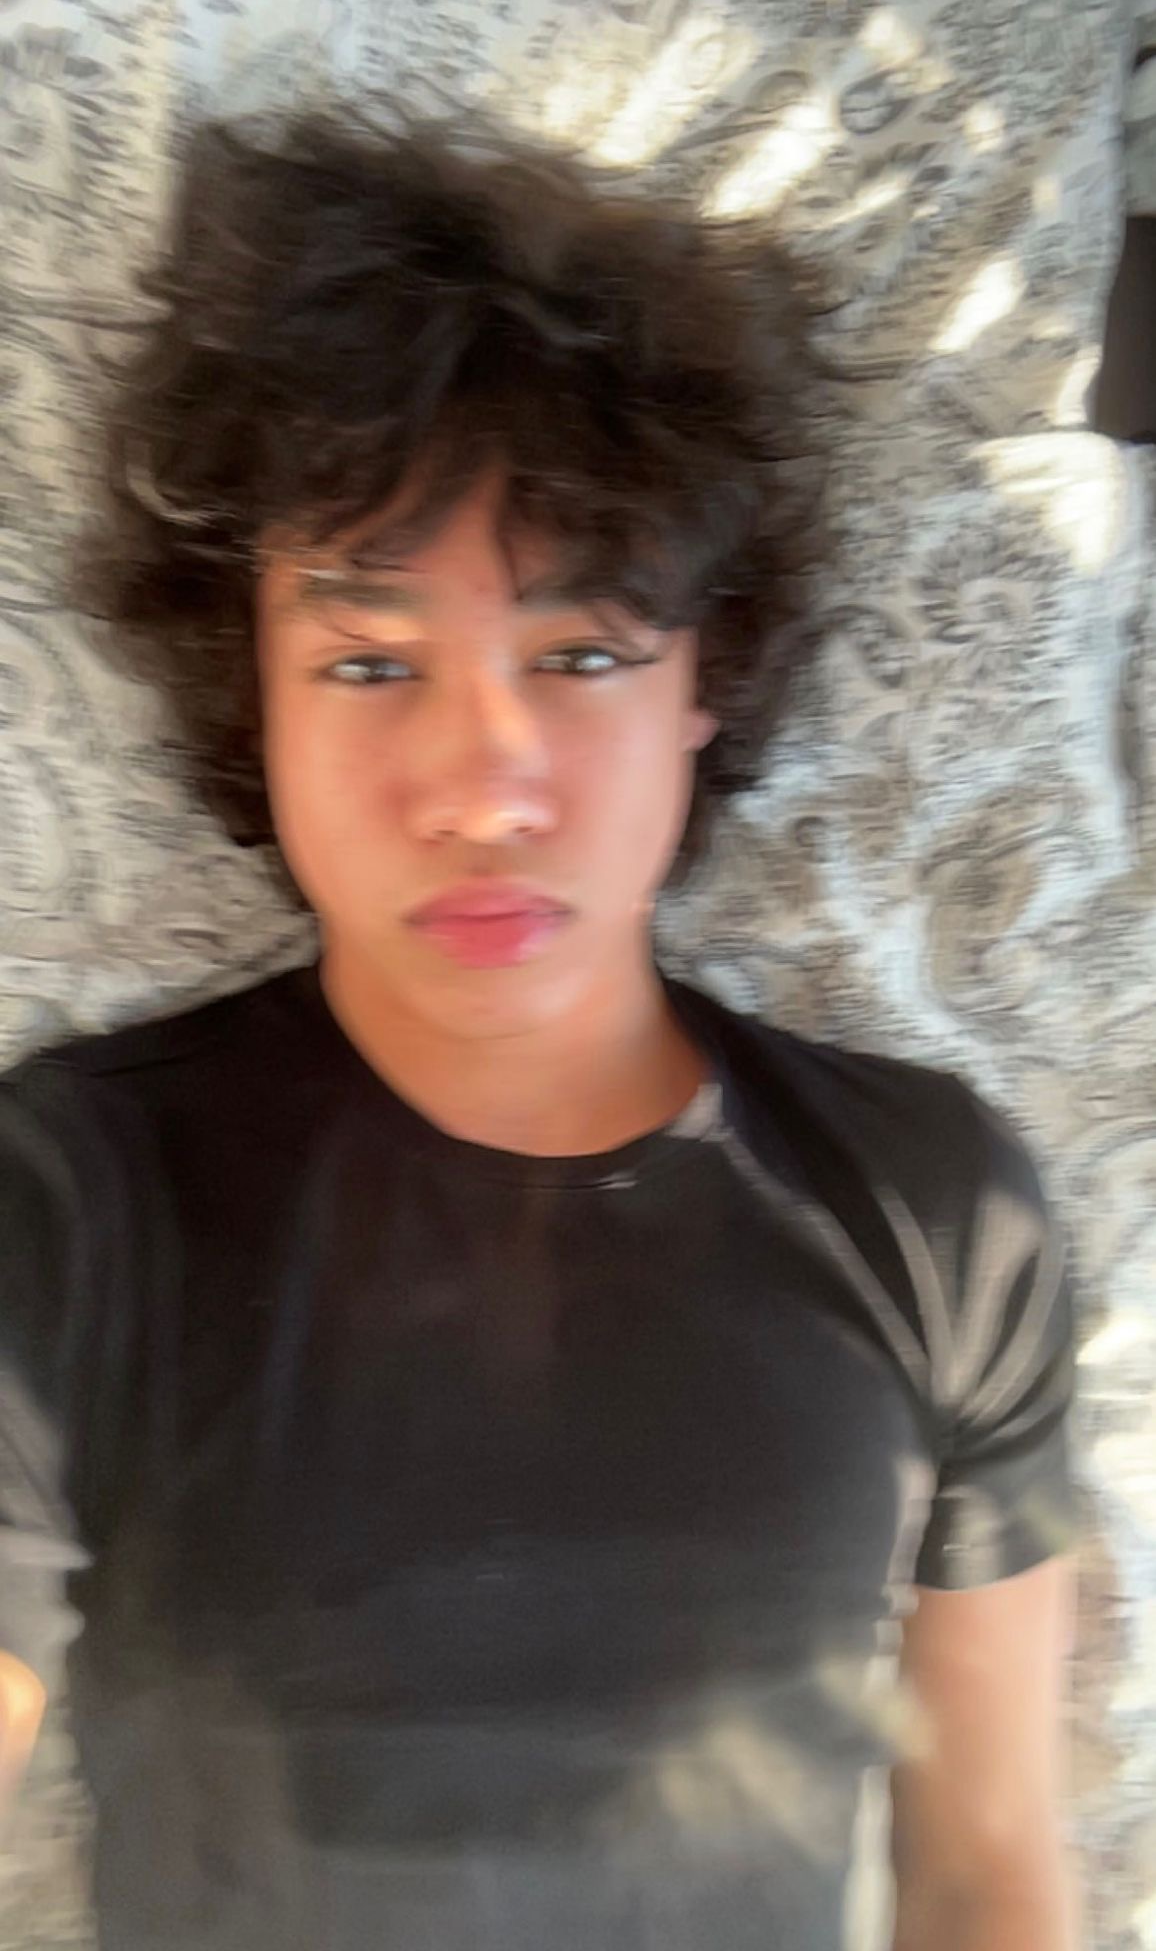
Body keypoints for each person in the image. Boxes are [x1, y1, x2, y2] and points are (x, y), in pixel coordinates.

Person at [0, 103, 1083, 1950]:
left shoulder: (936, 1212)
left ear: (705, 676)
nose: (484, 787)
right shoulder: (69, 1202)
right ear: (249, 697)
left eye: (581, 654)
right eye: (368, 663)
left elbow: (986, 1873)